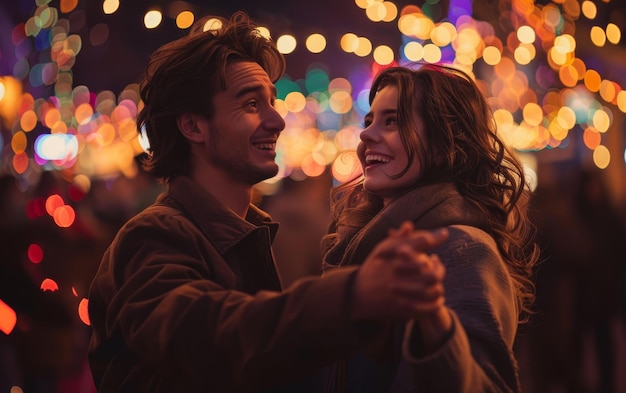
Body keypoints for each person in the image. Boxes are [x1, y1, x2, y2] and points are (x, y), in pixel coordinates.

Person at [86, 12, 450, 393]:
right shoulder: (154, 235)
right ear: (193, 126)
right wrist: (353, 295)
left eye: (272, 102)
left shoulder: (247, 233)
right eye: (250, 105)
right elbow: (212, 340)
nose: (277, 121)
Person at [321, 63, 540, 392]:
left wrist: (436, 331)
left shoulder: (461, 250)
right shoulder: (368, 241)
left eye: (392, 121)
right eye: (369, 121)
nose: (366, 134)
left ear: (442, 145)